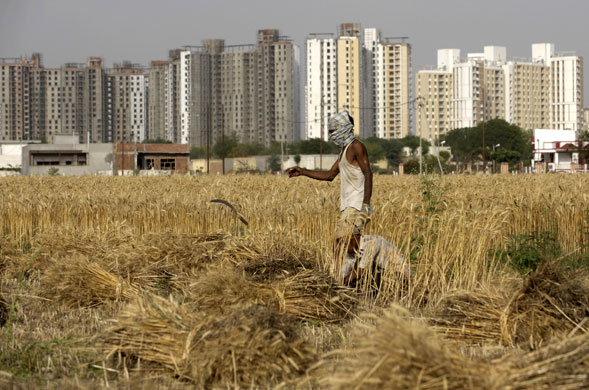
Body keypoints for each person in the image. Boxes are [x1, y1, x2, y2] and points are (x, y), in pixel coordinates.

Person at [286, 111, 373, 279]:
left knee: (341, 244)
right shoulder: (343, 151)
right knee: (348, 247)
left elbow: (368, 173)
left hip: (356, 206)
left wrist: (366, 205)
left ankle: (343, 278)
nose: (332, 135)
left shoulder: (356, 146)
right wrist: (302, 171)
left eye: (333, 131)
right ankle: (350, 277)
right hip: (347, 206)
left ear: (343, 129)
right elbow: (329, 176)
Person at [341, 234, 411, 288]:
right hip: (383, 277)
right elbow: (345, 270)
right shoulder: (352, 249)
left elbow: (361, 270)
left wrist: (346, 280)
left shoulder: (372, 242)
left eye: (344, 242)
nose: (342, 246)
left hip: (400, 275)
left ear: (352, 236)